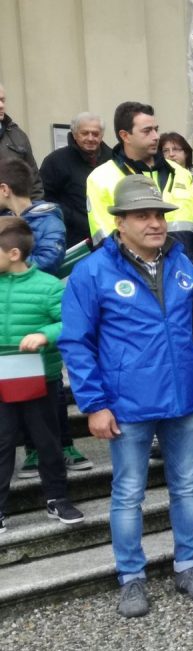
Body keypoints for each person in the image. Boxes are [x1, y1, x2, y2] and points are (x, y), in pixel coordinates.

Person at [60, 175, 193, 617]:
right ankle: (131, 577)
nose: (155, 224)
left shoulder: (183, 263)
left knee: (185, 486)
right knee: (128, 492)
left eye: (159, 215)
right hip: (125, 402)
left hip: (183, 396)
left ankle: (189, 565)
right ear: (121, 222)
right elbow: (76, 342)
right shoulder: (92, 271)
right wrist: (93, 404)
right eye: (143, 216)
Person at [1, 158, 94, 478]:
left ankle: (62, 445)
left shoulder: (46, 218)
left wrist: (19, 275)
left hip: (40, 310)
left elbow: (50, 260)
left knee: (49, 388)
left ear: (4, 189)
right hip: (14, 322)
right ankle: (32, 451)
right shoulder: (6, 219)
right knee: (19, 389)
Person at [0, 216, 82, 536]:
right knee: (2, 443)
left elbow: (71, 323)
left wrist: (45, 334)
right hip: (2, 378)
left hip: (41, 378)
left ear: (14, 254)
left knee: (48, 441)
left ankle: (57, 498)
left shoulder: (48, 286)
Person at [85, 102, 193, 266]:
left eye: (156, 129)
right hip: (132, 277)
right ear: (125, 136)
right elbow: (106, 241)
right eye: (147, 131)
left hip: (184, 273)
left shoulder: (181, 173)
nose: (156, 136)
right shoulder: (101, 178)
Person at [39, 111, 111, 245]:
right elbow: (45, 198)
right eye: (85, 133)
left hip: (111, 236)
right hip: (74, 239)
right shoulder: (55, 161)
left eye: (95, 134)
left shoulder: (113, 160)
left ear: (102, 135)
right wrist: (73, 217)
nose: (90, 138)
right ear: (74, 134)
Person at [0, 84, 42, 199]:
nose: (1, 105)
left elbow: (34, 182)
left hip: (16, 213)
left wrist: (33, 213)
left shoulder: (17, 135)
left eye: (3, 100)